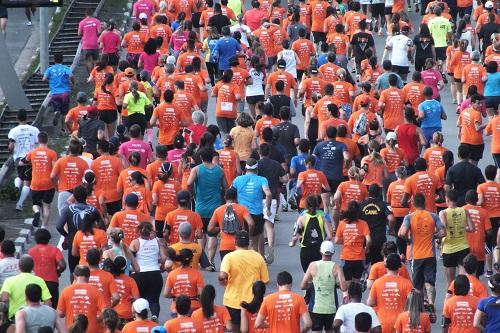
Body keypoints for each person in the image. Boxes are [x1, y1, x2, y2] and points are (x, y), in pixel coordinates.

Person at [398, 193, 445, 308]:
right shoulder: (433, 216)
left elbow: (402, 233)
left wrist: (408, 239)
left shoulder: (409, 217)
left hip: (416, 256)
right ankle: (431, 304)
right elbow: (443, 232)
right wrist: (434, 236)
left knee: (417, 284)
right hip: (430, 255)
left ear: (413, 203)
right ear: (424, 202)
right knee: (430, 282)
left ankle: (419, 307)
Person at [219, 230, 269, 331]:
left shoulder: (229, 257)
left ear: (235, 241)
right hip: (253, 302)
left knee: (236, 329)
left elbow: (222, 275)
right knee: (251, 329)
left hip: (233, 301)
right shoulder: (258, 256)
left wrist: (223, 282)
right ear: (249, 242)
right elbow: (265, 280)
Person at [187, 147, 226, 270]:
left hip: (200, 207)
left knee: (201, 234)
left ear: (201, 158)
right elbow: (227, 186)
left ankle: (200, 260)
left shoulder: (196, 170)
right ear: (212, 157)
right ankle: (210, 260)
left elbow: (188, 184)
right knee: (213, 235)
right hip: (215, 208)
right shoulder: (219, 170)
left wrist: (192, 194)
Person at [300, 240, 347, 333]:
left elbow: (302, 286)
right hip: (331, 307)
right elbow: (344, 287)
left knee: (316, 331)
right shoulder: (337, 267)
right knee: (330, 330)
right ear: (333, 252)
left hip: (316, 307)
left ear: (321, 252)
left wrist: (313, 284)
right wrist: (335, 284)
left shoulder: (313, 265)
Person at [56, 185, 101, 276]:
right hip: (90, 244)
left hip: (73, 243)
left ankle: (75, 288)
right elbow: (102, 226)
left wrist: (67, 236)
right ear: (87, 196)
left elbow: (59, 226)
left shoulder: (68, 209)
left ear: (74, 197)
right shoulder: (93, 210)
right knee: (93, 271)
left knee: (74, 271)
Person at [231, 158, 272, 255]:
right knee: (254, 243)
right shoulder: (262, 179)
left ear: (245, 169)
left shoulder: (237, 180)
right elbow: (269, 194)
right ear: (257, 169)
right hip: (256, 214)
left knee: (240, 242)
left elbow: (230, 193)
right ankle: (253, 263)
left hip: (240, 215)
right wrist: (268, 208)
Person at [367, 254, 413, 333]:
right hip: (401, 323)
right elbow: (413, 303)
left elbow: (370, 302)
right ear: (399, 266)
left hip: (382, 322)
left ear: (386, 265)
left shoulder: (377, 282)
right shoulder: (407, 283)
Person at [129, 222, 166, 318]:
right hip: (155, 274)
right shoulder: (157, 241)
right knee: (154, 300)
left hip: (139, 275)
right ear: (150, 231)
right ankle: (154, 316)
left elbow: (130, 260)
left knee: (138, 299)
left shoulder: (135, 243)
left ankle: (140, 318)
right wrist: (158, 262)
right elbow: (164, 258)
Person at [440, 189, 476, 286]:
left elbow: (443, 231)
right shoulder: (464, 211)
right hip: (463, 247)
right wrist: (461, 227)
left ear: (447, 199)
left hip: (449, 249)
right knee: (463, 280)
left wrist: (435, 236)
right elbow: (472, 228)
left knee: (450, 283)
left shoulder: (443, 213)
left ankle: (452, 300)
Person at [208, 188, 254, 261]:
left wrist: (221, 228)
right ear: (236, 197)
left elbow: (210, 229)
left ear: (224, 197)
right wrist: (249, 236)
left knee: (226, 270)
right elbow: (251, 224)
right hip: (239, 245)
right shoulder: (242, 208)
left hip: (224, 246)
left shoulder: (218, 210)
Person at [7, 109, 40, 212]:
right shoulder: (34, 130)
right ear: (27, 118)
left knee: (19, 176)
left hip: (18, 158)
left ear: (17, 118)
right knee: (27, 182)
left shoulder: (13, 131)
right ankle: (19, 204)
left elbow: (11, 146)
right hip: (30, 158)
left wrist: (12, 151)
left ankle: (17, 186)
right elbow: (38, 145)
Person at [57, 265, 105, 333]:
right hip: (90, 330)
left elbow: (60, 314)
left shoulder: (66, 291)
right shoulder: (96, 291)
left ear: (74, 276)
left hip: (72, 329)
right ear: (89, 276)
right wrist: (97, 320)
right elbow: (105, 312)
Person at [313, 126, 350, 213]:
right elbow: (347, 158)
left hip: (324, 177)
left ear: (326, 134)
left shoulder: (319, 145)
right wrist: (347, 166)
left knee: (325, 206)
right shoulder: (341, 145)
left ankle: (327, 225)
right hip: (337, 176)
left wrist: (316, 170)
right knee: (336, 204)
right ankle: (335, 226)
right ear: (336, 134)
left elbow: (313, 159)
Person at [28, 229, 66, 308]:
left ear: (36, 239)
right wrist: (57, 272)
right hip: (51, 283)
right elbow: (62, 265)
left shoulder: (31, 251)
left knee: (35, 307)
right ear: (49, 239)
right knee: (52, 307)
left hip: (35, 283)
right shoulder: (55, 250)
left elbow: (27, 267)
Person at [335, 201, 371, 284]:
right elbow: (368, 240)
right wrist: (366, 248)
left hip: (346, 257)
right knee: (356, 283)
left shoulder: (342, 223)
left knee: (347, 283)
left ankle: (348, 296)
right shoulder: (363, 223)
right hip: (359, 257)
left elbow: (336, 240)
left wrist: (346, 240)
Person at [50, 140, 89, 215]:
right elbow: (87, 178)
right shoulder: (83, 163)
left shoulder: (60, 161)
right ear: (79, 150)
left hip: (64, 191)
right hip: (77, 194)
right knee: (77, 215)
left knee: (63, 216)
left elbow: (52, 177)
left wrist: (56, 186)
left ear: (69, 149)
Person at [360, 185, 395, 265]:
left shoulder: (361, 205)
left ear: (368, 193)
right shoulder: (384, 205)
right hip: (379, 239)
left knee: (364, 263)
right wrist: (391, 229)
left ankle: (364, 276)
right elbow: (391, 219)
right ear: (379, 193)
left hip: (365, 238)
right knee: (378, 264)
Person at [164, 248, 205, 315]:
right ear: (191, 259)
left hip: (176, 307)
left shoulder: (172, 274)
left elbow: (166, 294)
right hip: (193, 307)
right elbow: (202, 294)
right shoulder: (197, 274)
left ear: (180, 260)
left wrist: (175, 296)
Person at [464, 190, 493, 278]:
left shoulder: (462, 210)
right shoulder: (484, 212)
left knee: (466, 274)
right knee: (476, 275)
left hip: (464, 247)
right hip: (479, 248)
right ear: (477, 200)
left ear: (466, 199)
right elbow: (489, 231)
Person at [43, 53, 74, 133]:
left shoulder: (50, 69)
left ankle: (56, 112)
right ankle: (63, 129)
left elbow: (44, 79)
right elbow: (71, 75)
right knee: (64, 113)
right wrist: (72, 83)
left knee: (57, 109)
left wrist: (50, 81)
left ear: (54, 60)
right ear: (62, 60)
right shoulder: (65, 68)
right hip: (65, 93)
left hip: (55, 94)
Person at [457, 94, 488, 165]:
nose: (480, 105)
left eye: (480, 103)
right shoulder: (477, 113)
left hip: (464, 140)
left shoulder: (464, 111)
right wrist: (487, 124)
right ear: (472, 103)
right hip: (475, 142)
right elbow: (477, 128)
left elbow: (458, 124)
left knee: (464, 163)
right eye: (478, 103)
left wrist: (459, 133)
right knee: (474, 164)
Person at [78, 8, 101, 73]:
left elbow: (79, 33)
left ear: (85, 14)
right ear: (92, 13)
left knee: (88, 61)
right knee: (96, 60)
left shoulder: (82, 22)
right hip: (95, 44)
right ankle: (96, 74)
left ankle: (90, 75)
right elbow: (99, 32)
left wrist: (85, 34)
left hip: (86, 44)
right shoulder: (97, 21)